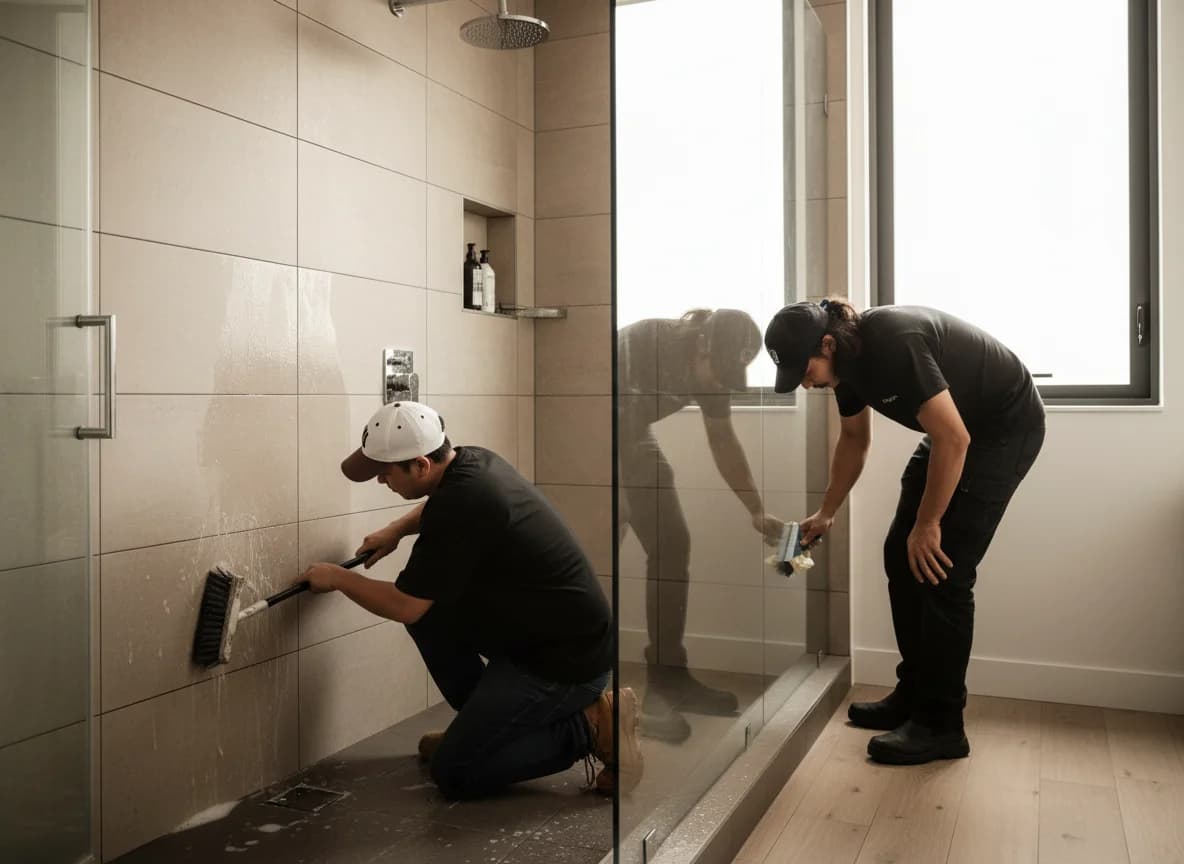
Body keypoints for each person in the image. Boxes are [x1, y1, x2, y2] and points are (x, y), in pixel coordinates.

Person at [299, 400, 642, 797]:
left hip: (565, 664)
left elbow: (403, 604)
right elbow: (439, 508)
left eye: (385, 472)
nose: (380, 481)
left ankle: (591, 724)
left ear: (422, 466)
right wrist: (397, 529)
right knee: (430, 619)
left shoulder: (464, 504)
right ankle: (481, 728)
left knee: (456, 771)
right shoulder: (472, 461)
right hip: (535, 640)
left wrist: (337, 578)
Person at [764, 299, 1045, 764]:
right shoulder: (846, 365)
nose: (806, 381)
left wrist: (930, 523)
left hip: (1002, 431)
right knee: (901, 554)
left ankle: (941, 724)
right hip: (958, 432)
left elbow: (955, 438)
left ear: (827, 343)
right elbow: (855, 439)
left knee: (942, 572)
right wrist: (827, 511)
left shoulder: (893, 343)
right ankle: (914, 694)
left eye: (805, 368)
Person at [618, 309, 783, 742]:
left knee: (673, 544)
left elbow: (723, 438)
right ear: (701, 345)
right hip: (593, 436)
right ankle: (602, 701)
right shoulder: (648, 341)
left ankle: (669, 676)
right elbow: (595, 414)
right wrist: (613, 503)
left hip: (632, 438)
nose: (720, 382)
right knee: (601, 552)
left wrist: (755, 508)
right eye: (721, 370)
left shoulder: (712, 372)